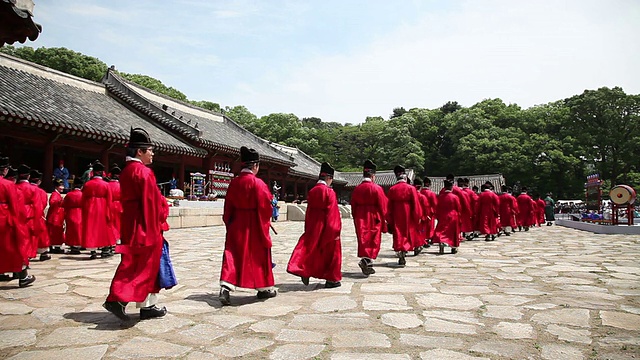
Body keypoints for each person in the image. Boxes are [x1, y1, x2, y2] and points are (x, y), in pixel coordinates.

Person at [104, 127, 169, 321]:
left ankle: (148, 305)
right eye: (150, 150)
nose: (152, 153)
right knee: (142, 265)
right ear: (139, 151)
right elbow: (152, 204)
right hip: (145, 225)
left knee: (134, 263)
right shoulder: (143, 172)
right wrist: (157, 224)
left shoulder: (127, 171)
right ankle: (118, 298)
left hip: (131, 224)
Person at [218, 146, 277, 305]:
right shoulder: (258, 184)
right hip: (254, 224)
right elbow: (265, 207)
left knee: (232, 253)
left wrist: (229, 224)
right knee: (258, 255)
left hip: (237, 222)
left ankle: (226, 286)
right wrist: (266, 220)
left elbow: (227, 207)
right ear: (255, 166)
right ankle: (263, 288)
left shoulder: (234, 183)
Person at [287, 162, 342, 288]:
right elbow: (332, 214)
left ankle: (303, 269)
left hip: (314, 225)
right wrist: (335, 231)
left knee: (310, 248)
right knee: (332, 253)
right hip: (327, 225)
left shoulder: (313, 191)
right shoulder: (329, 192)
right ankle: (332, 279)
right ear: (329, 178)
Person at [0, 155, 35, 287]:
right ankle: (23, 276)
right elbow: (15, 207)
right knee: (14, 247)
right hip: (4, 218)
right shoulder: (8, 185)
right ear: (5, 170)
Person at [350, 160, 387, 276]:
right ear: (372, 175)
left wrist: (355, 216)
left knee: (363, 238)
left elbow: (353, 205)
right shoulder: (377, 188)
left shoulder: (357, 189)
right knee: (373, 238)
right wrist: (384, 218)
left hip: (360, 215)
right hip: (373, 215)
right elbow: (383, 205)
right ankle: (366, 260)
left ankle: (367, 260)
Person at [386, 165, 421, 266]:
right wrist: (417, 216)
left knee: (398, 232)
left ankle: (399, 250)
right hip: (408, 213)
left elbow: (389, 206)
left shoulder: (392, 189)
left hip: (396, 213)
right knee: (407, 232)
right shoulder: (411, 189)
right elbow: (415, 203)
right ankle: (405, 250)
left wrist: (389, 219)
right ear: (405, 178)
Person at [81, 161, 113, 259]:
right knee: (102, 229)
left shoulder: (87, 185)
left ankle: (93, 251)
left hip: (89, 207)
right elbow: (109, 199)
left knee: (91, 229)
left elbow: (83, 198)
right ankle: (104, 250)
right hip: (102, 207)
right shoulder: (106, 185)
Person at [433, 179, 461, 254]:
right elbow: (458, 208)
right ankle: (453, 247)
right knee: (452, 232)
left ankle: (441, 242)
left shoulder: (440, 197)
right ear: (451, 187)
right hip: (453, 215)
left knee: (442, 230)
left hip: (442, 215)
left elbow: (437, 207)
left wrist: (437, 215)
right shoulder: (455, 197)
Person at [15, 165, 36, 260]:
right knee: (28, 238)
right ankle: (26, 257)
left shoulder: (14, 187)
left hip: (16, 213)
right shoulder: (33, 189)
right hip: (29, 214)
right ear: (28, 176)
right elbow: (38, 205)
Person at [30, 170, 51, 261]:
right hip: (38, 215)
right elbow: (44, 204)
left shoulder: (18, 187)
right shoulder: (41, 192)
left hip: (23, 215)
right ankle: (43, 253)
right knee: (41, 235)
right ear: (39, 181)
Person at [63, 179, 83, 254]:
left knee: (71, 230)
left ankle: (72, 246)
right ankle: (79, 245)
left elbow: (64, 204)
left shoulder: (69, 194)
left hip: (70, 213)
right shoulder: (82, 194)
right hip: (80, 213)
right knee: (79, 230)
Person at [46, 179, 66, 254]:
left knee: (56, 232)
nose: (62, 188)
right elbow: (52, 202)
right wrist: (60, 202)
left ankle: (55, 246)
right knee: (54, 232)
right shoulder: (54, 194)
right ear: (57, 187)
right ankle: (54, 246)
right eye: (61, 186)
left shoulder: (57, 194)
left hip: (58, 215)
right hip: (55, 215)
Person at [108, 164, 122, 252]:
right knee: (118, 224)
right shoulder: (121, 186)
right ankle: (117, 240)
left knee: (110, 224)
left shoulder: (107, 185)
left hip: (109, 205)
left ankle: (110, 240)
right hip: (119, 206)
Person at [420, 177, 438, 247]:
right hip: (429, 212)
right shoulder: (431, 193)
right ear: (428, 184)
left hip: (421, 211)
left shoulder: (420, 192)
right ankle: (427, 239)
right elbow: (435, 204)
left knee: (422, 227)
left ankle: (422, 239)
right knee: (429, 227)